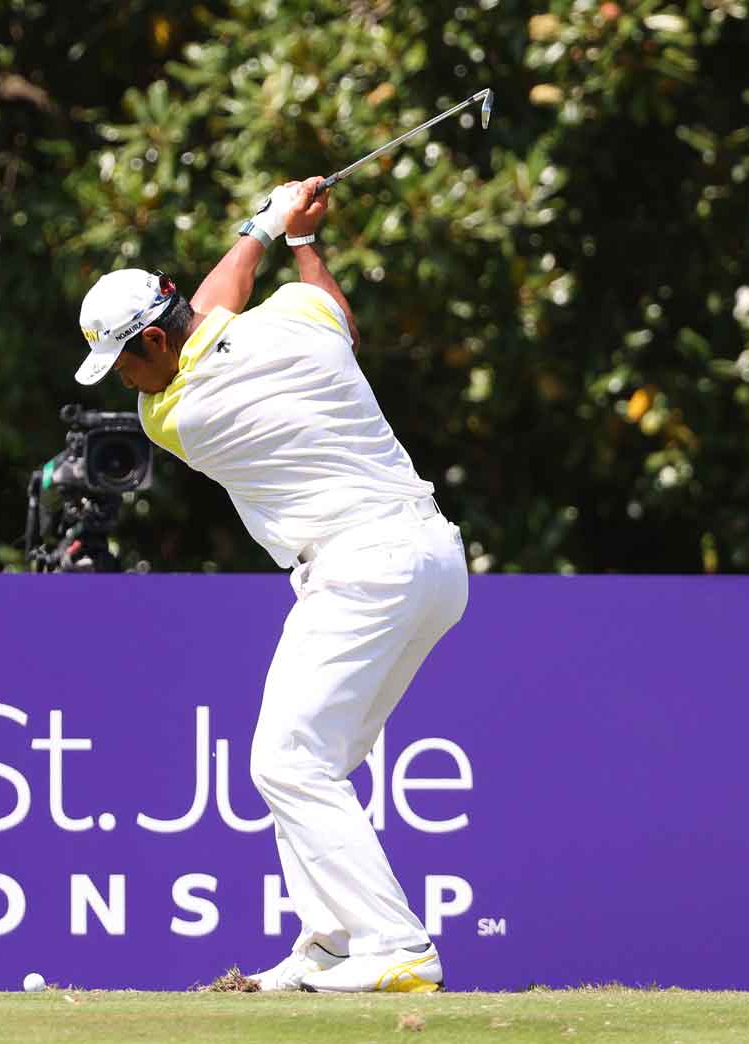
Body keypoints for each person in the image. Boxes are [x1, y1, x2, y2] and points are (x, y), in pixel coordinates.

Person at [72, 176, 469, 993]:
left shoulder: (175, 415)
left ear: (151, 344)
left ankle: (397, 946)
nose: (122, 383)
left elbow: (218, 305)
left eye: (122, 363)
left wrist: (264, 226)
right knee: (314, 762)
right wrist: (292, 237)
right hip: (434, 560)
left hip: (363, 568)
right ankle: (327, 942)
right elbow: (306, 313)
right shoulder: (301, 319)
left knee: (286, 761)